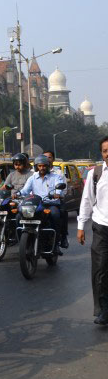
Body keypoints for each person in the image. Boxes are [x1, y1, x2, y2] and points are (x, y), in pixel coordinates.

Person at [77, 136, 108, 325]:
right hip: (101, 227)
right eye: (105, 150)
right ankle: (104, 310)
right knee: (100, 270)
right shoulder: (95, 174)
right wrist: (81, 226)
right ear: (102, 153)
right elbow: (87, 200)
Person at [18, 154, 66, 252]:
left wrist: (57, 194)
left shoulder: (56, 177)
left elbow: (59, 189)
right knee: (19, 216)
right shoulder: (32, 178)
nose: (42, 168)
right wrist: (17, 193)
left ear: (48, 166)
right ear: (36, 167)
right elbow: (25, 190)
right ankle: (23, 242)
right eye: (39, 166)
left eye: (44, 166)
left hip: (51, 204)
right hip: (37, 205)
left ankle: (56, 243)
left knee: (55, 214)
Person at [43, 149, 69, 248]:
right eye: (44, 158)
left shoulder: (58, 174)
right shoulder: (35, 174)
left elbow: (64, 190)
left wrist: (57, 194)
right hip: (40, 202)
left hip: (54, 201)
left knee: (61, 212)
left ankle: (62, 237)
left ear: (53, 159)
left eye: (49, 157)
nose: (46, 160)